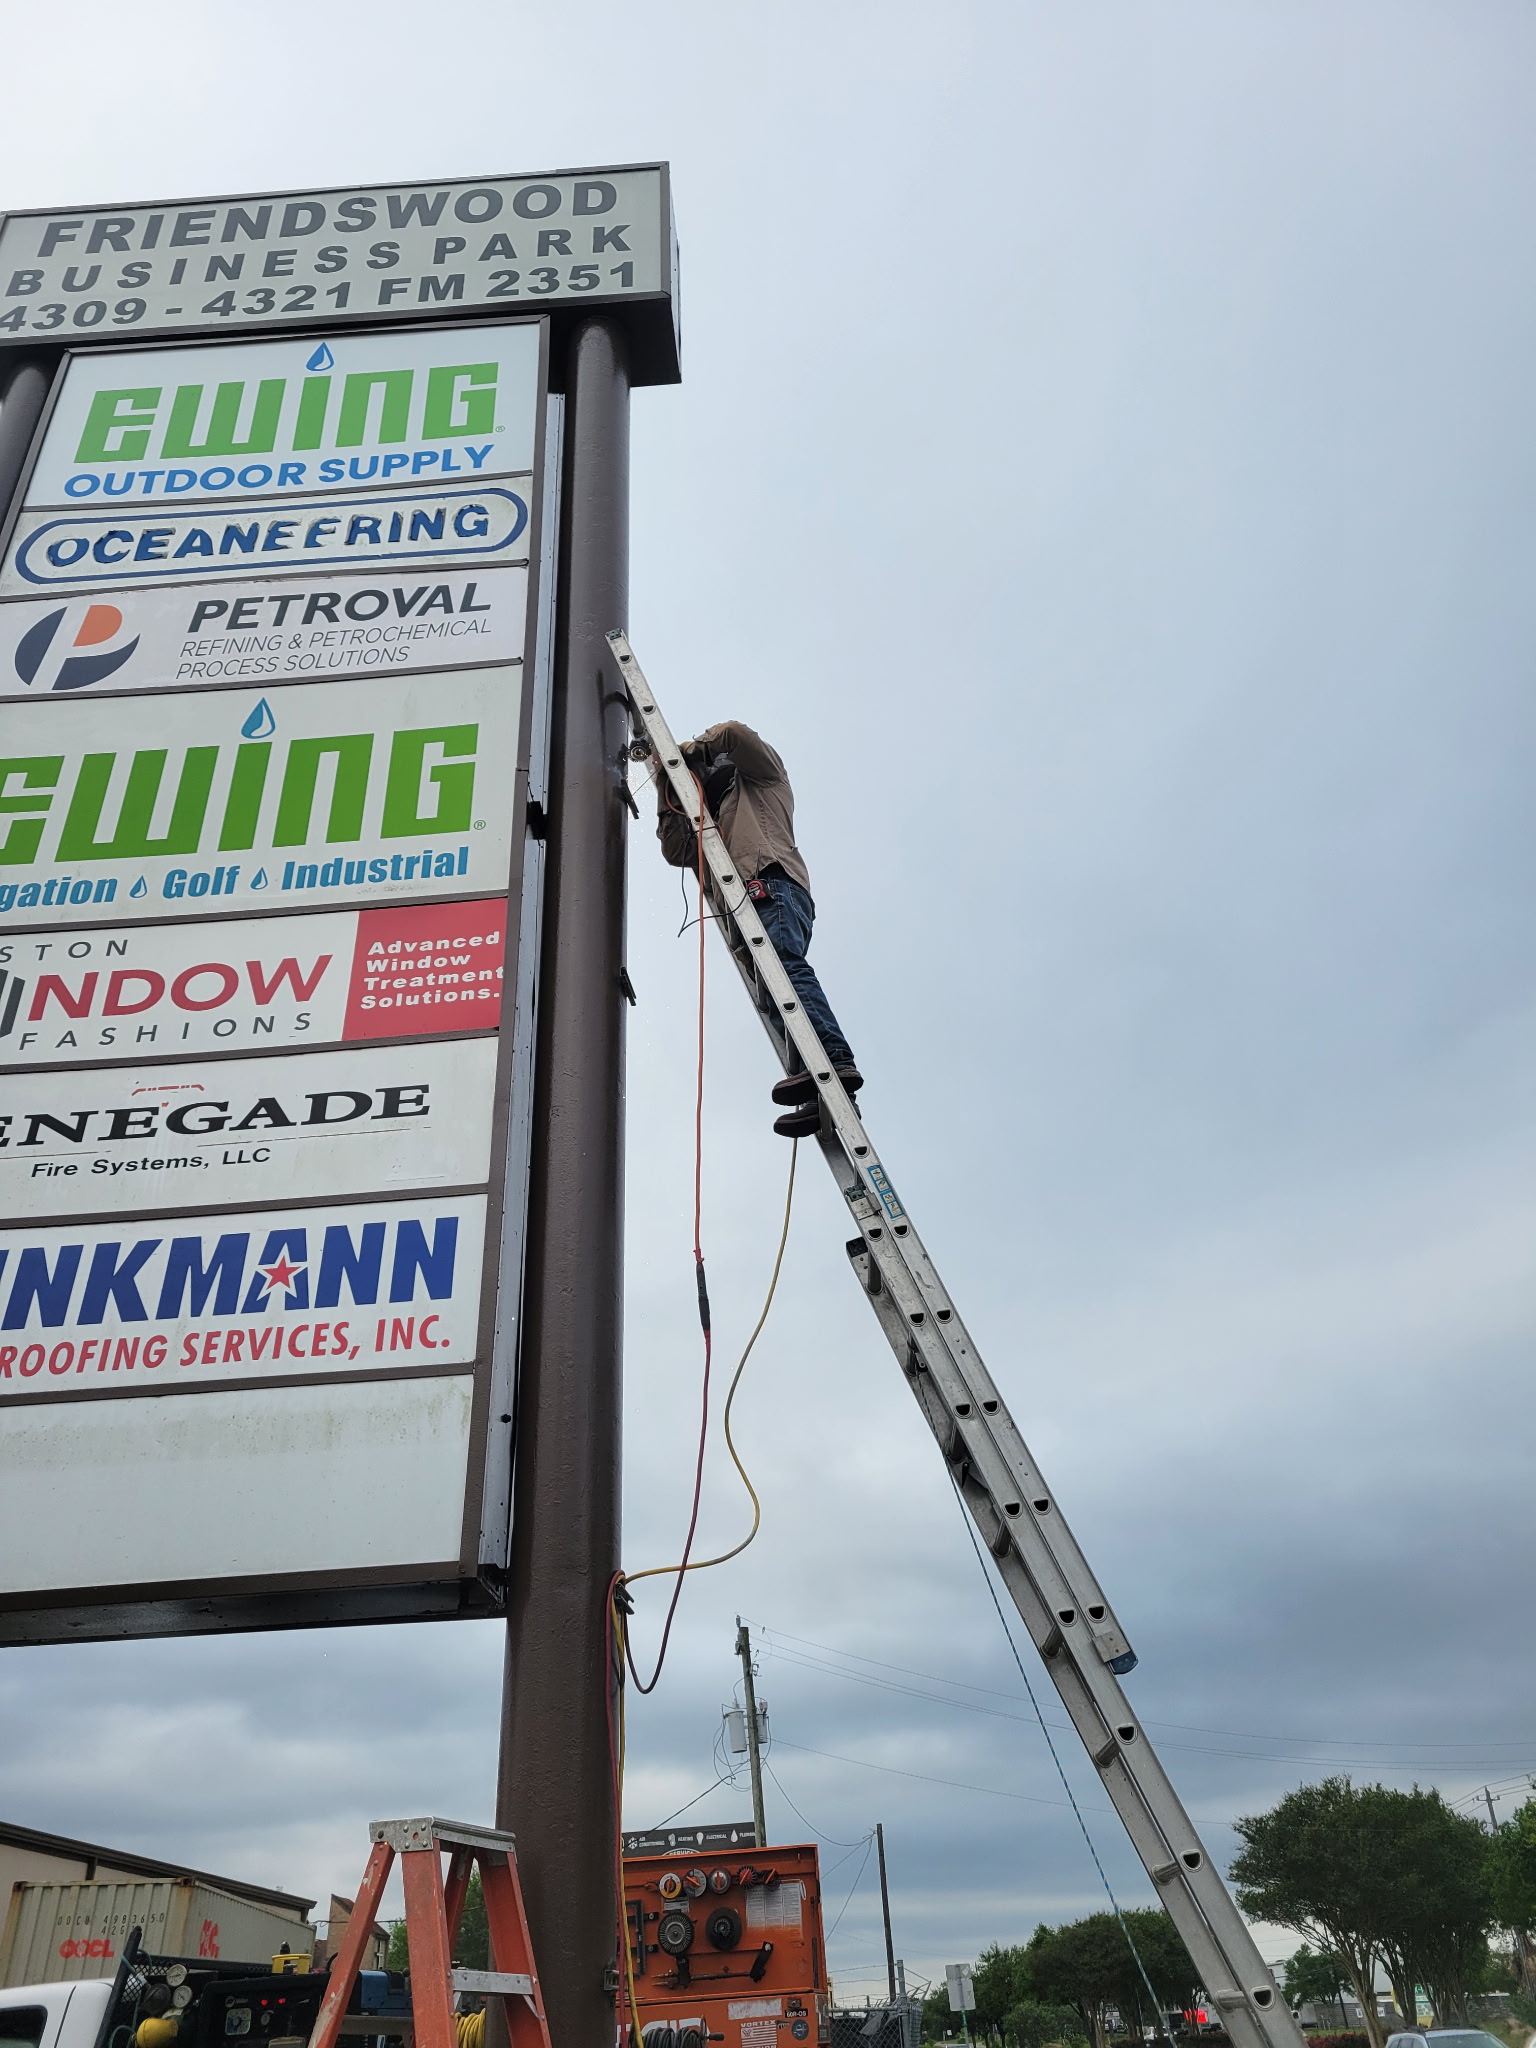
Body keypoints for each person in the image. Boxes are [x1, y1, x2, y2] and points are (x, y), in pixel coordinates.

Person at [656, 719, 861, 1137]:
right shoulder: (710, 824)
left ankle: (834, 1061)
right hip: (746, 901)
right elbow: (677, 851)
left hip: (770, 882)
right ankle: (820, 1092)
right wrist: (665, 785)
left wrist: (687, 751)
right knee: (773, 994)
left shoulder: (762, 780)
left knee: (784, 969)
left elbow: (734, 732)